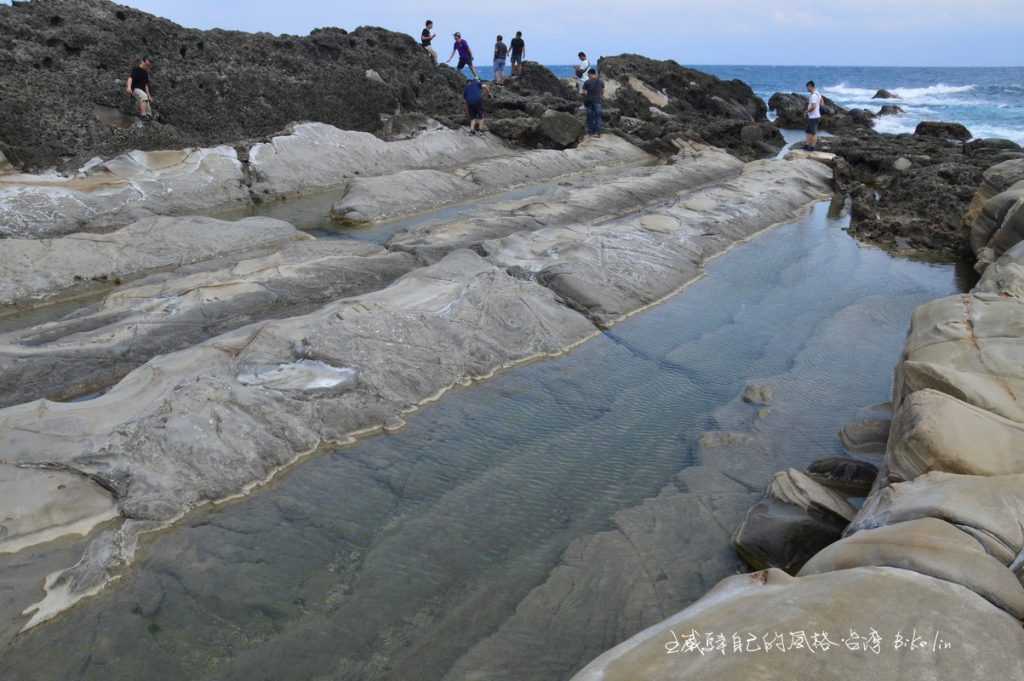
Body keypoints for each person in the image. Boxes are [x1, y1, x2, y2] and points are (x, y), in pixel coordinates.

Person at [582, 68, 604, 137]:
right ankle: (598, 133)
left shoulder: (587, 82)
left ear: (590, 74)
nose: (588, 76)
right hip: (598, 101)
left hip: (589, 102)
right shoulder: (601, 82)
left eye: (588, 75)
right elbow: (602, 91)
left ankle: (591, 133)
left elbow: (584, 93)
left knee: (590, 117)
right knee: (598, 117)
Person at [804, 80, 823, 151]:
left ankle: (812, 147)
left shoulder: (814, 95)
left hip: (814, 117)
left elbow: (813, 106)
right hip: (813, 116)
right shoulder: (817, 93)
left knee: (813, 133)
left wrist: (806, 111)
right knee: (808, 131)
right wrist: (820, 106)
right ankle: (807, 145)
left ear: (810, 86)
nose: (807, 89)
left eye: (807, 87)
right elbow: (822, 101)